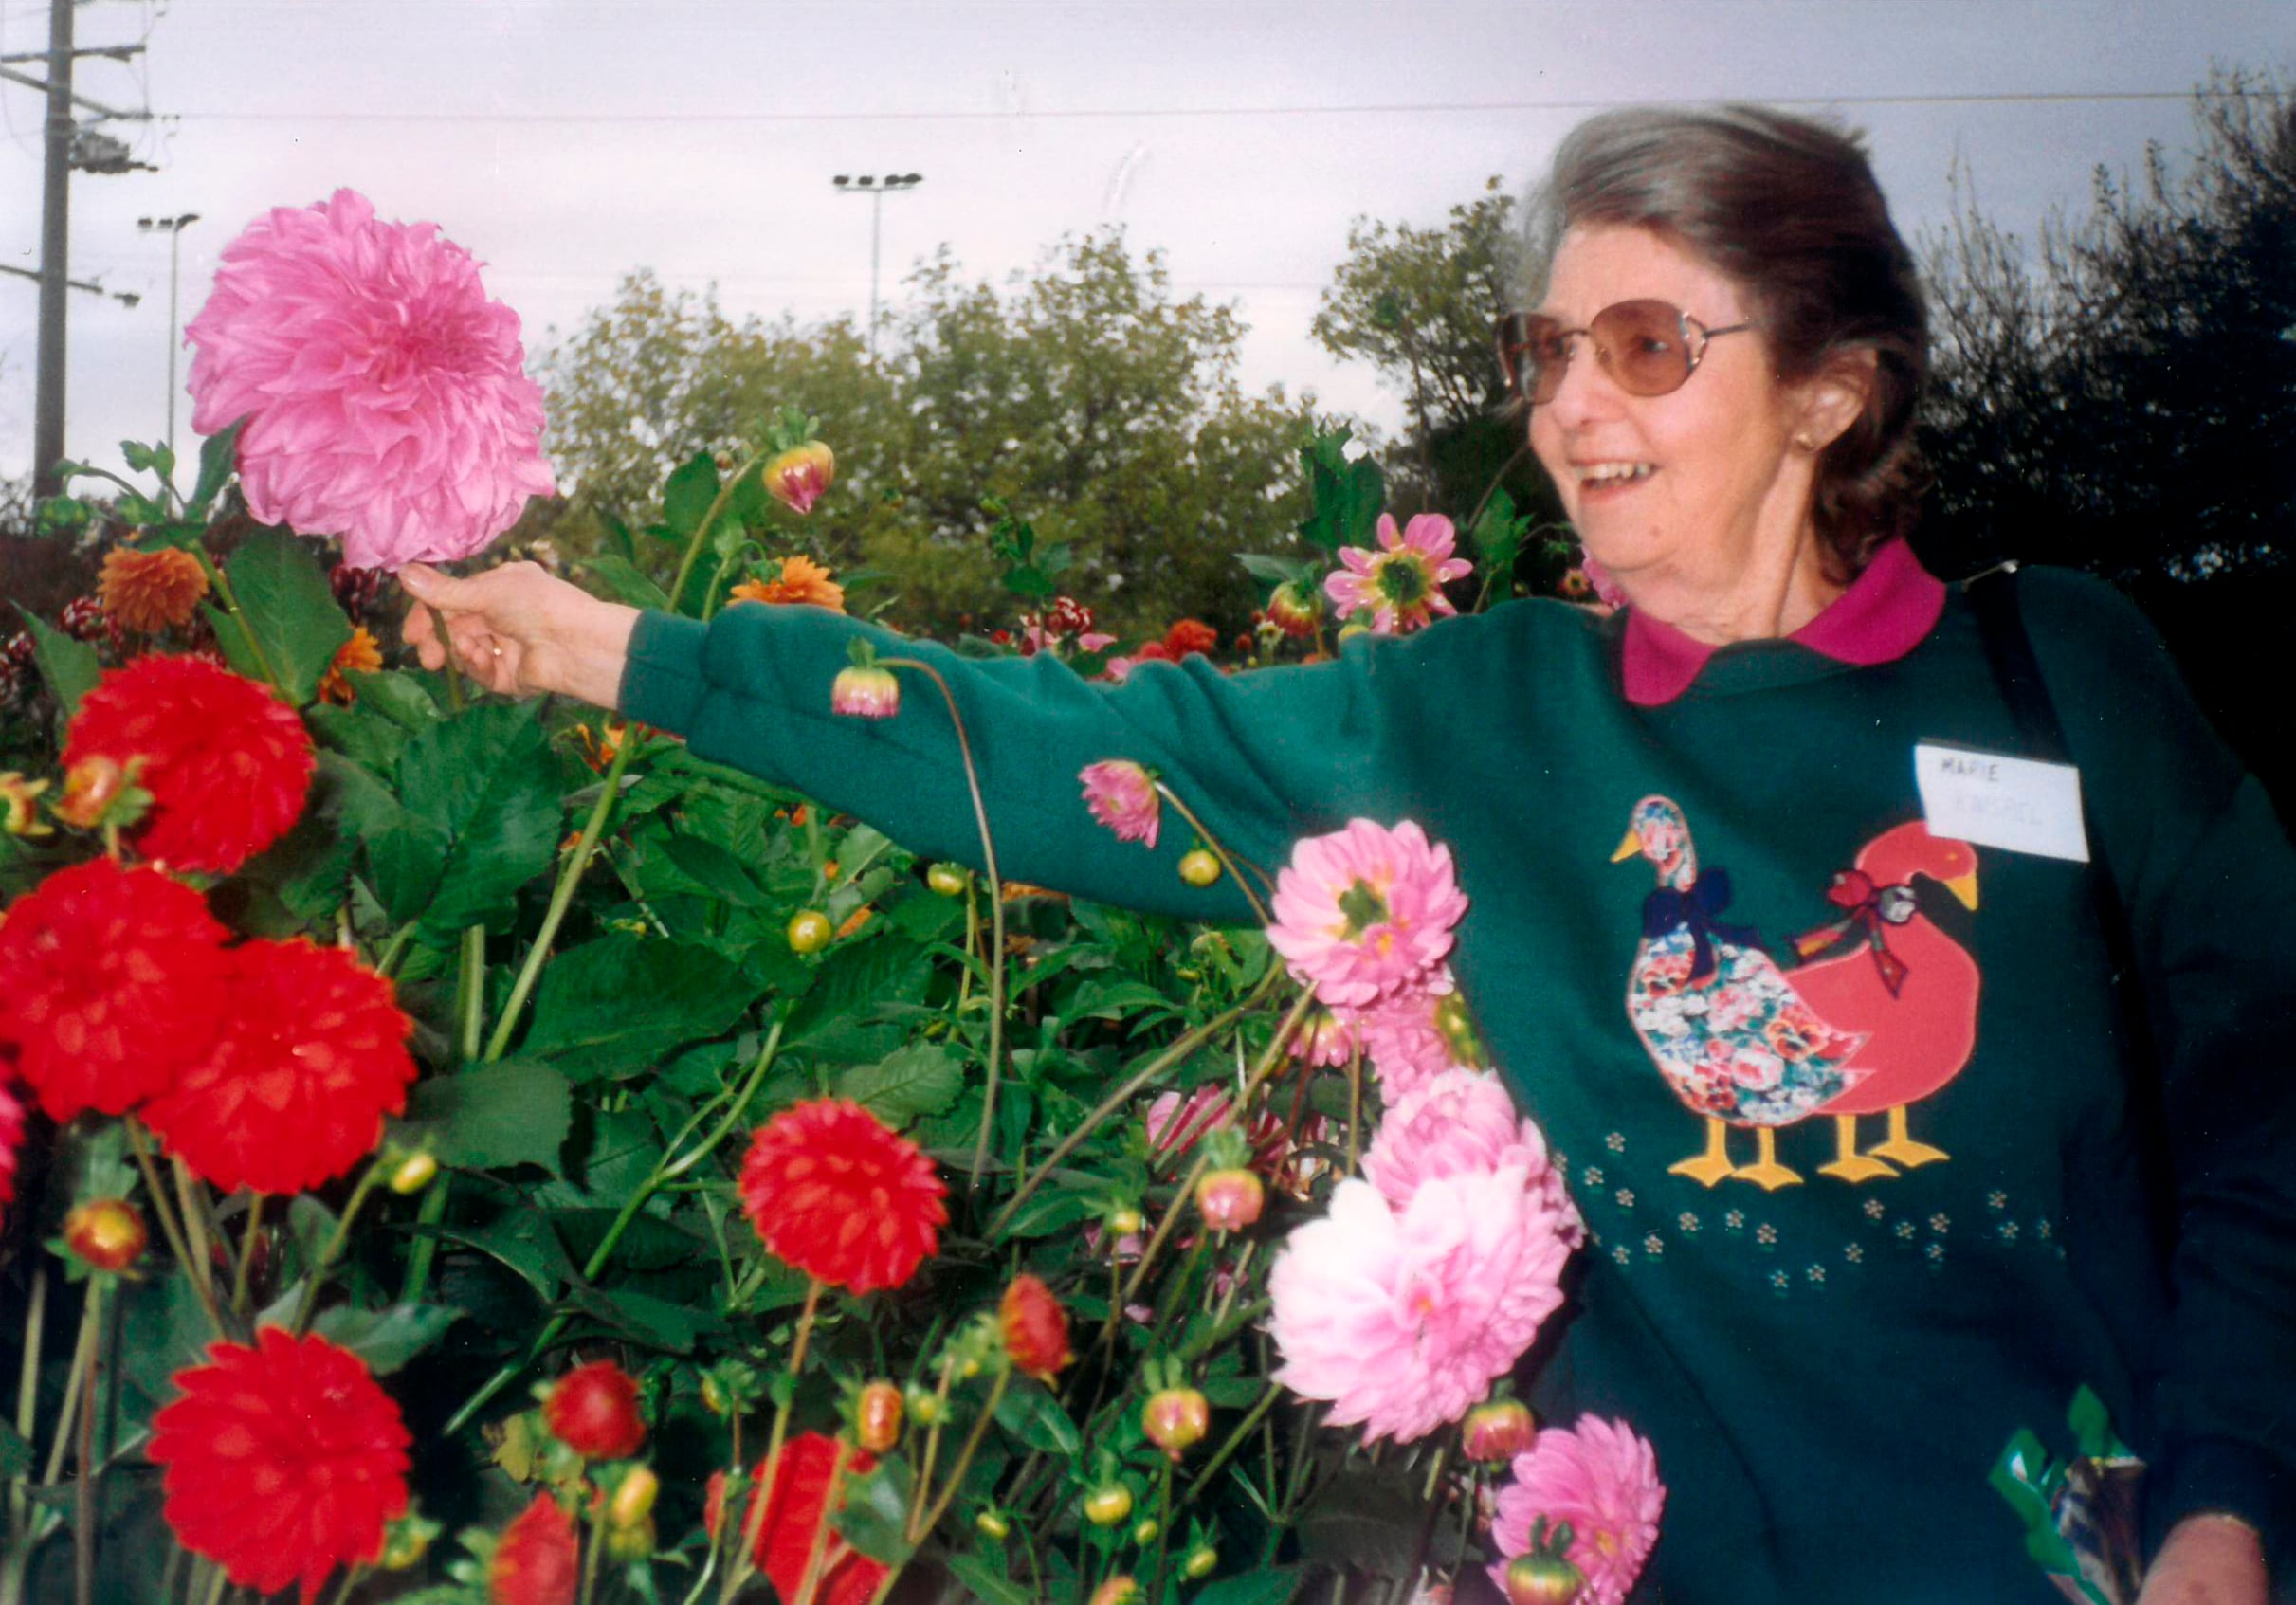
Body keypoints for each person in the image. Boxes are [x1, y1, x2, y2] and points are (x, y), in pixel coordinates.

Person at [402, 106, 2291, 1604]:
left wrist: (2232, 1495)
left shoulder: (2064, 681)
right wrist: (615, 648)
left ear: (1824, 387)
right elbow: (1078, 747)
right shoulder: (1482, 720)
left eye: (1641, 344)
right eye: (1542, 349)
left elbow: (2265, 1112)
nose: (1564, 403)